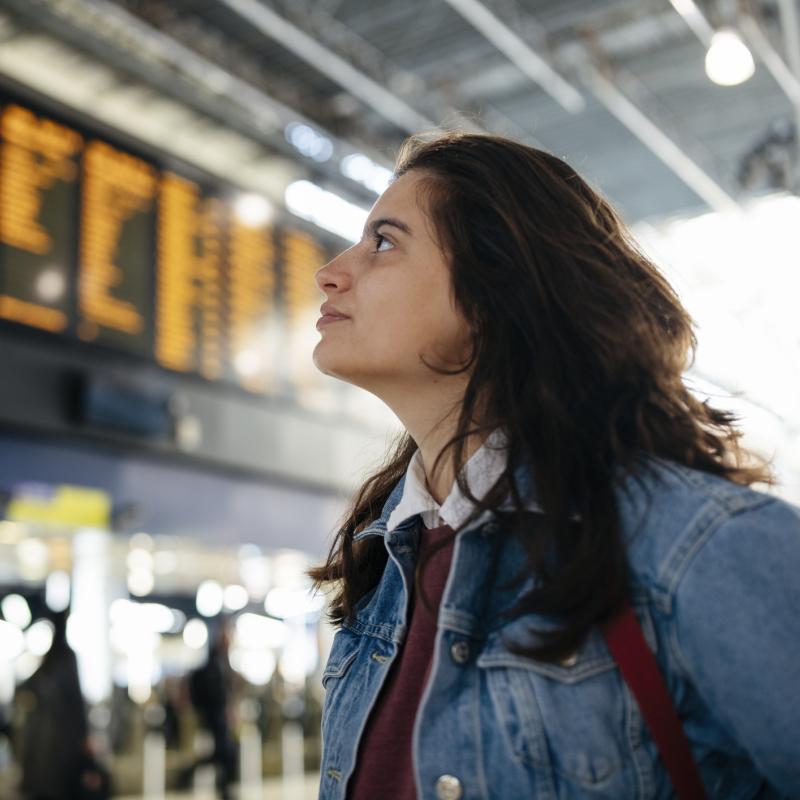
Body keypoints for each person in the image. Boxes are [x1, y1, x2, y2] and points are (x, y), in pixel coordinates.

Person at [308, 132, 800, 800]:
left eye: (384, 243)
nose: (331, 271)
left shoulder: (696, 545)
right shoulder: (384, 563)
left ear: (494, 293)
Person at [181, 621, 237, 800]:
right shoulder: (213, 664)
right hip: (214, 716)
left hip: (217, 716)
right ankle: (191, 773)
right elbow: (214, 692)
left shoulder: (221, 662)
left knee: (223, 753)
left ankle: (222, 788)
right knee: (223, 753)